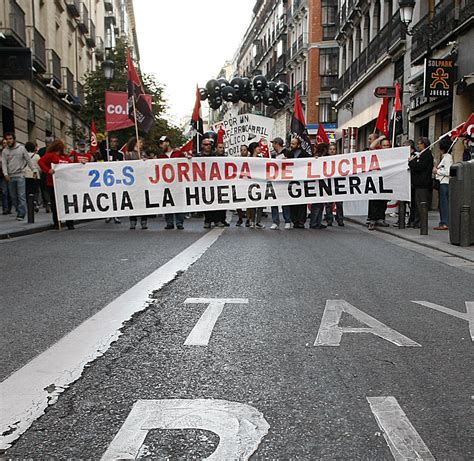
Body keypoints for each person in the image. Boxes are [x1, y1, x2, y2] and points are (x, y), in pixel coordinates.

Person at [37, 139, 74, 230]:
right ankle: (57, 222)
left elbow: (72, 165)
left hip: (65, 184)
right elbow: (40, 162)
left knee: (67, 203)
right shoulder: (50, 155)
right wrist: (48, 170)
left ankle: (70, 223)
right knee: (55, 204)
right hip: (53, 184)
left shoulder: (65, 157)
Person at [1, 132, 39, 221]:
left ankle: (22, 213)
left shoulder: (21, 149)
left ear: (14, 139)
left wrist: (34, 170)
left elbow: (28, 160)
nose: (9, 141)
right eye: (7, 139)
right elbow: (4, 164)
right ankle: (19, 210)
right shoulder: (5, 151)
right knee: (13, 196)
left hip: (21, 175)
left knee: (21, 195)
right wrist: (5, 174)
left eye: (10, 139)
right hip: (10, 176)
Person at [158, 136, 187, 230]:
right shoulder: (161, 156)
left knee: (179, 202)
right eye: (160, 144)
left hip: (178, 182)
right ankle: (169, 222)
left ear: (168, 143)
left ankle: (179, 222)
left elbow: (186, 163)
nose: (161, 145)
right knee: (167, 202)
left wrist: (189, 158)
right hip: (166, 183)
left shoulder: (178, 154)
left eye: (162, 143)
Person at [200, 134, 226, 229]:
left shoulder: (216, 156)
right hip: (204, 183)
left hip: (216, 182)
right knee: (207, 202)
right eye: (206, 144)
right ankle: (207, 220)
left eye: (209, 144)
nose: (208, 146)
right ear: (202, 146)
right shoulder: (198, 157)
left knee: (217, 202)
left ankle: (217, 220)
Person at [408, 137, 434, 229]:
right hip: (419, 184)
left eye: (419, 143)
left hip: (423, 184)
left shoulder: (426, 155)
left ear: (424, 144)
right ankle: (417, 221)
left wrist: (411, 162)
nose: (418, 145)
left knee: (421, 204)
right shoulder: (422, 154)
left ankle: (420, 222)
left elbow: (420, 167)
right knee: (417, 204)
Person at [125, 136, 149, 230]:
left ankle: (144, 220)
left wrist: (145, 161)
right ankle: (133, 220)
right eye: (140, 142)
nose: (141, 144)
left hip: (142, 181)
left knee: (143, 201)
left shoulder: (143, 154)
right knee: (133, 201)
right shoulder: (129, 154)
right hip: (132, 182)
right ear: (135, 143)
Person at [367, 137, 390, 230]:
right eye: (384, 145)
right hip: (375, 179)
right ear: (381, 146)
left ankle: (381, 218)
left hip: (386, 179)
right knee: (374, 200)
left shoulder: (394, 152)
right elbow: (371, 146)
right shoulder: (378, 151)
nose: (386, 147)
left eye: (387, 145)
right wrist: (380, 138)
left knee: (383, 200)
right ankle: (372, 219)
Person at [287, 137, 311, 228]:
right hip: (291, 182)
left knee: (301, 203)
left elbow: (311, 161)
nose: (291, 145)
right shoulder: (289, 154)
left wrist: (316, 159)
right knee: (293, 202)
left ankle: (301, 221)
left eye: (293, 144)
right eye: (291, 143)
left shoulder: (304, 154)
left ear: (298, 145)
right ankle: (294, 220)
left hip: (301, 182)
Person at [270, 137, 291, 230]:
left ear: (276, 143)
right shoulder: (273, 154)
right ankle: (275, 221)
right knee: (274, 201)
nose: (272, 145)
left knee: (285, 202)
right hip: (275, 180)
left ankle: (287, 221)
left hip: (284, 180)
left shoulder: (287, 152)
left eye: (273, 143)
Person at [433, 136, 453, 230]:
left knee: (444, 204)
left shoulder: (447, 158)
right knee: (442, 204)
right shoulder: (445, 157)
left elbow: (449, 172)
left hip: (445, 183)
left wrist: (437, 171)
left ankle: (445, 222)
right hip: (443, 183)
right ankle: (443, 221)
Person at [309, 143, 329, 230]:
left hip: (322, 183)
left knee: (320, 205)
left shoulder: (325, 157)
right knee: (317, 205)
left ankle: (318, 222)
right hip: (317, 183)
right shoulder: (316, 158)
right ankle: (313, 223)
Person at [246, 142, 265, 229]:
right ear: (254, 149)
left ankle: (258, 221)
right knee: (252, 203)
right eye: (258, 147)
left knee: (260, 203)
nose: (260, 148)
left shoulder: (262, 159)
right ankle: (252, 220)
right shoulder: (247, 159)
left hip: (260, 182)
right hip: (250, 182)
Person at [325, 142, 344, 226]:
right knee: (329, 203)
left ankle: (340, 219)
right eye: (331, 149)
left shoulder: (340, 159)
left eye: (334, 149)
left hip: (338, 183)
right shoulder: (324, 159)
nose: (332, 151)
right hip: (328, 183)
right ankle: (329, 219)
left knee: (339, 203)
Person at [37, 136, 54, 212]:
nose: (48, 144)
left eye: (49, 143)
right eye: (47, 143)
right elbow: (39, 161)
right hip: (45, 172)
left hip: (52, 172)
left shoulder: (55, 151)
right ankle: (48, 203)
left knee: (47, 188)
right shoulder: (42, 151)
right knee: (44, 188)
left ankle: (49, 203)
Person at [24, 141, 41, 212]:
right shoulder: (37, 156)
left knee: (27, 190)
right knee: (36, 190)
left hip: (26, 174)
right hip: (35, 175)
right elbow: (39, 167)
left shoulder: (24, 155)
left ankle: (29, 204)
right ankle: (35, 201)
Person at [236, 144, 248, 226]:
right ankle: (240, 218)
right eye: (241, 150)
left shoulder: (251, 159)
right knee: (238, 202)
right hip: (239, 182)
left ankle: (248, 218)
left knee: (248, 202)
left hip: (248, 182)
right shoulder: (237, 160)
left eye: (244, 150)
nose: (243, 151)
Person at [0, 138, 12, 214]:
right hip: (2, 175)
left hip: (11, 174)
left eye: (6, 143)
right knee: (4, 192)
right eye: (3, 143)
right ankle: (5, 209)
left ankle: (9, 208)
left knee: (11, 192)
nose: (5, 144)